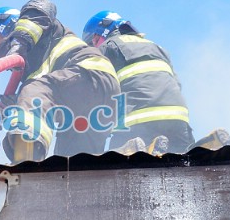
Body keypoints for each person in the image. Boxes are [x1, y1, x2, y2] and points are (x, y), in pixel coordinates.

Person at [0, 0, 121, 163]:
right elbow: (48, 95)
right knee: (70, 166)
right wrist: (15, 103)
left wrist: (20, 40)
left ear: (7, 25)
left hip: (91, 75)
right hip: (94, 105)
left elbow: (42, 4)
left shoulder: (41, 28)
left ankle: (26, 159)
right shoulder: (33, 69)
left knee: (33, 92)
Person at [82, 11, 195, 154]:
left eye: (92, 41)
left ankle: (137, 149)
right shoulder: (157, 47)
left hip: (138, 122)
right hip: (178, 119)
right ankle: (206, 147)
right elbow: (177, 84)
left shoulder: (108, 47)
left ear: (99, 34)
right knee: (184, 158)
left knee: (113, 160)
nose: (93, 46)